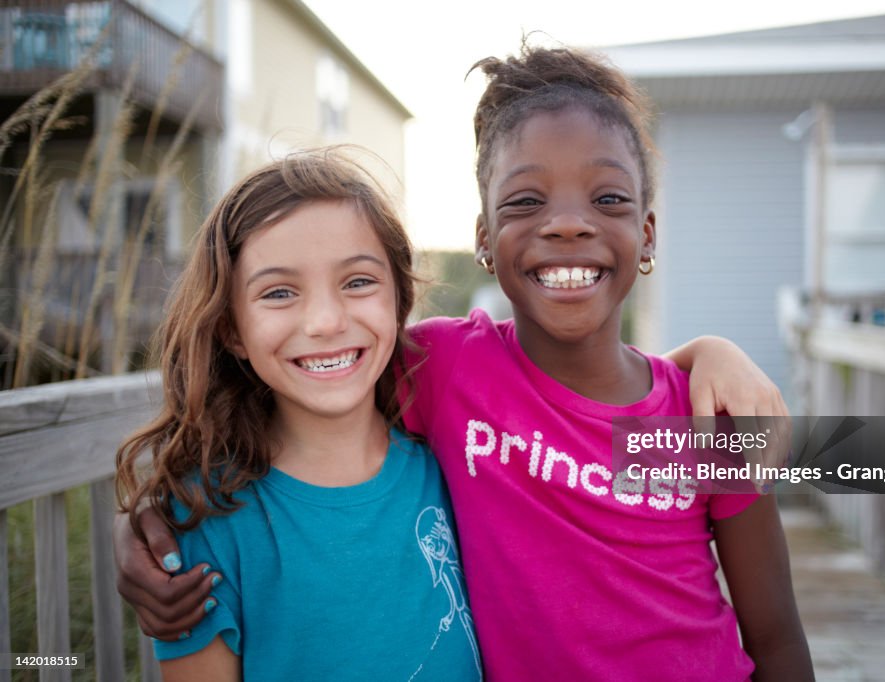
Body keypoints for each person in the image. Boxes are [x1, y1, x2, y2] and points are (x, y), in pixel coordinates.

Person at [116, 45, 809, 680]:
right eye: (527, 200)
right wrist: (152, 524)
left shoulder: (707, 418)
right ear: (484, 236)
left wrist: (714, 352)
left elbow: (777, 638)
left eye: (608, 198)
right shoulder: (447, 370)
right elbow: (305, 370)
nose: (568, 223)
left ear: (647, 231)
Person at [115, 149, 483, 681]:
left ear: (399, 299)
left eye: (357, 282)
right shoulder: (206, 525)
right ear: (232, 330)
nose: (326, 321)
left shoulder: (456, 465)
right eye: (279, 292)